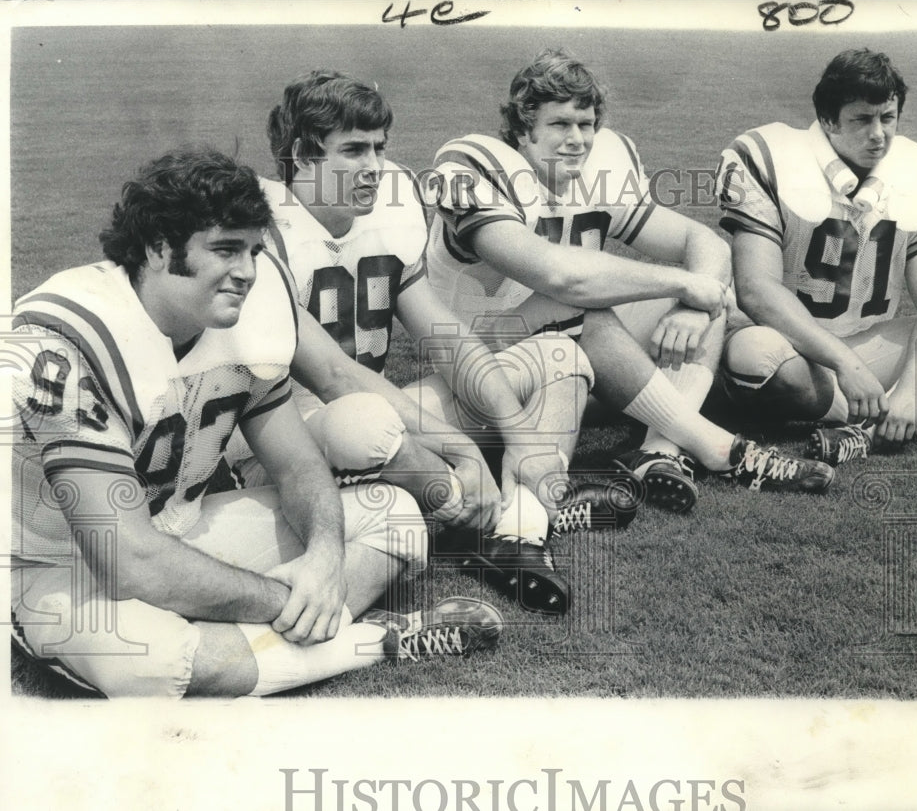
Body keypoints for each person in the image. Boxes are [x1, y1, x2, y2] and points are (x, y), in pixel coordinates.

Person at [9, 150, 501, 699]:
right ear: (157, 248)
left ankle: (246, 645)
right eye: (225, 250)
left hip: (177, 526)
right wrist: (286, 597)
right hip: (61, 562)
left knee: (396, 518)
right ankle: (368, 641)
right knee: (154, 663)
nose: (246, 271)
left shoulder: (256, 301)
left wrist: (324, 557)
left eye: (253, 250)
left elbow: (296, 467)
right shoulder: (65, 336)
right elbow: (127, 560)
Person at [230, 70, 627, 616]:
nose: (374, 167)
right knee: (363, 421)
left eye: (379, 148)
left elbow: (445, 339)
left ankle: (517, 531)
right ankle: (475, 512)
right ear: (301, 154)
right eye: (353, 151)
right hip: (282, 447)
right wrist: (461, 450)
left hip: (377, 428)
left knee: (557, 355)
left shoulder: (390, 210)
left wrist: (519, 437)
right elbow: (335, 377)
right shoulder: (262, 230)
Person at [424, 48, 834, 507]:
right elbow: (561, 278)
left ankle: (658, 452)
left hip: (572, 362)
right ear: (523, 129)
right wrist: (680, 284)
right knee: (581, 303)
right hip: (480, 364)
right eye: (559, 125)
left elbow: (706, 244)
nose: (577, 139)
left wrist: (694, 305)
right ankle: (718, 447)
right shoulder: (479, 167)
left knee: (709, 296)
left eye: (586, 124)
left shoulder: (598, 168)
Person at [718, 48, 917, 465]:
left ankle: (877, 425)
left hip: (868, 342)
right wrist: (846, 364)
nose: (878, 134)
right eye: (862, 119)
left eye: (887, 118)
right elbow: (755, 289)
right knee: (754, 356)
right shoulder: (770, 157)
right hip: (790, 348)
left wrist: (908, 390)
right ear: (828, 120)